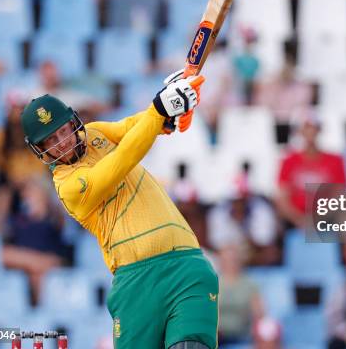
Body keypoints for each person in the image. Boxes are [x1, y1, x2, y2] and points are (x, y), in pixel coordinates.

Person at [19, 70, 219, 349]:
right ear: (40, 150)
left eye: (62, 131)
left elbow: (133, 126)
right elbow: (122, 161)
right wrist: (161, 109)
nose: (61, 142)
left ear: (73, 123)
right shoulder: (67, 186)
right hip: (136, 282)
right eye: (50, 141)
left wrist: (167, 108)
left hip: (187, 265)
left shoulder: (95, 133)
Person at [275, 112, 346, 228]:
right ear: (300, 132)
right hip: (295, 220)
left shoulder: (335, 160)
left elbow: (340, 195)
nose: (310, 132)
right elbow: (282, 196)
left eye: (313, 128)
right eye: (306, 128)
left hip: (327, 218)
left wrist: (319, 219)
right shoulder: (288, 161)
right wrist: (299, 219)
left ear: (319, 130)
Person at [216, 243, 265, 345]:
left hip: (242, 335)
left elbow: (259, 314)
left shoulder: (250, 285)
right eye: (227, 260)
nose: (231, 263)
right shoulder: (212, 283)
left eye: (234, 259)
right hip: (217, 336)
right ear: (220, 261)